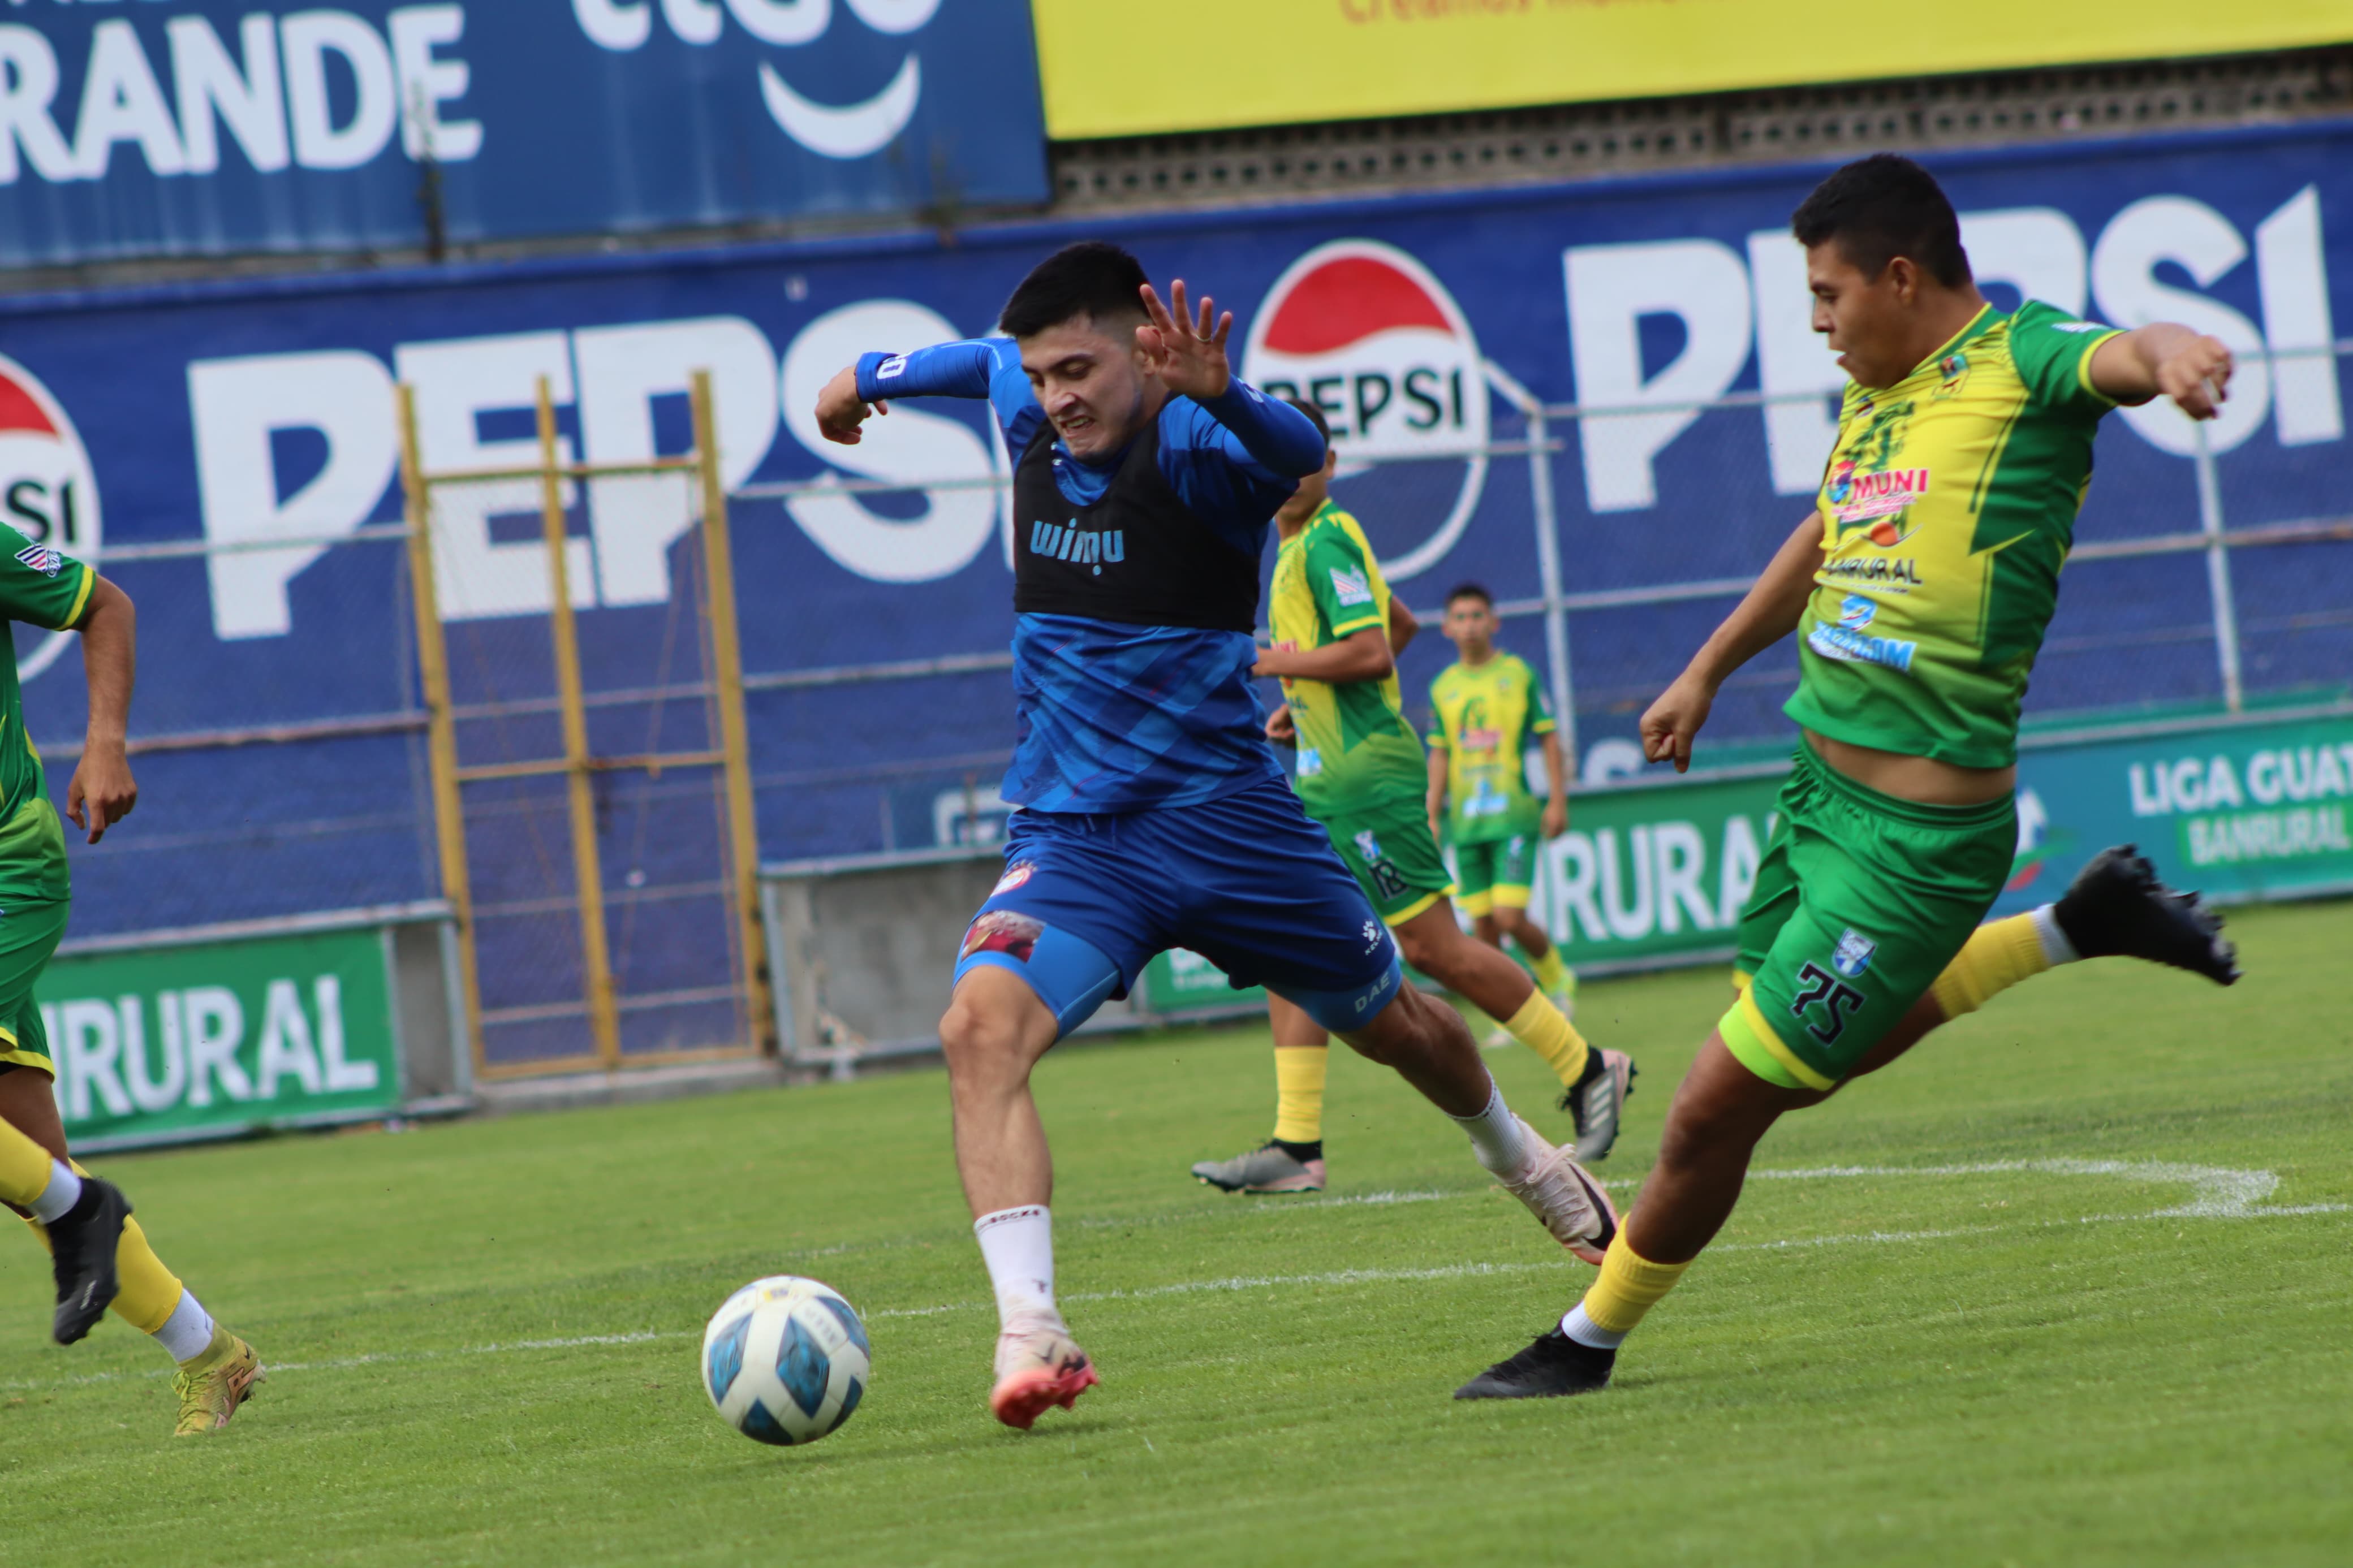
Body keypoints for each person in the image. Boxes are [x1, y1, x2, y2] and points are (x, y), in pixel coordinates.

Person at [1456, 154, 2242, 1401]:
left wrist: (2182, 350)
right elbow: (1827, 531)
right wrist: (1707, 666)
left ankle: (1583, 1342)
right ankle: (2068, 927)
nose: (1817, 322)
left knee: (1716, 1104)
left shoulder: (2022, 357)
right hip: (1815, 800)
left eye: (1828, 295)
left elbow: (2125, 352)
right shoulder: (1874, 399)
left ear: (1898, 275)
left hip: (1917, 850)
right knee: (1797, 1063)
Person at [812, 242, 1616, 1431]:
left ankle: (1525, 1159)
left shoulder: (1201, 439)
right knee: (977, 1028)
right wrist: (859, 380)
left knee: (1399, 1026)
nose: (1057, 397)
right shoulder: (1023, 395)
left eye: (1079, 368)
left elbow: (1298, 452)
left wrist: (1221, 389)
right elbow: (950, 360)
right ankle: (1031, 1329)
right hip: (1079, 837)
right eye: (1042, 376)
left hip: (1234, 826)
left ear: (1144, 351)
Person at [1190, 409, 1632, 1195]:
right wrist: (1304, 691)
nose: (1288, 471)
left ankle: (1589, 1066)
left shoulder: (1325, 536)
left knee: (1433, 950)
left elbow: (1366, 649)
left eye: (1303, 456)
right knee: (1284, 945)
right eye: (1273, 455)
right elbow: (1397, 624)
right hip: (1328, 778)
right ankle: (1298, 1145)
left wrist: (1275, 662)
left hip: (1369, 777)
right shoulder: (1296, 544)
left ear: (1327, 460)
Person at [0, 542, 263, 1434]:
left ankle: (85, 1214)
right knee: (37, 1174)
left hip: (9, 865)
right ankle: (210, 1353)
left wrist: (103, 744)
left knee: (54, 1196)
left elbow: (106, 604)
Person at [1425, 585, 1630, 1152]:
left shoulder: (1516, 675)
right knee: (1481, 931)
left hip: (1512, 815)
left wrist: (1556, 798)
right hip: (1466, 824)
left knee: (1511, 917)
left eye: (1475, 616)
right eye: (1457, 617)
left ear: (1492, 621)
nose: (1467, 625)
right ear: (1445, 628)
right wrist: (1431, 811)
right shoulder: (1442, 687)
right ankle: (1506, 1018)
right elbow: (1440, 751)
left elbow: (1544, 738)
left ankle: (1558, 978)